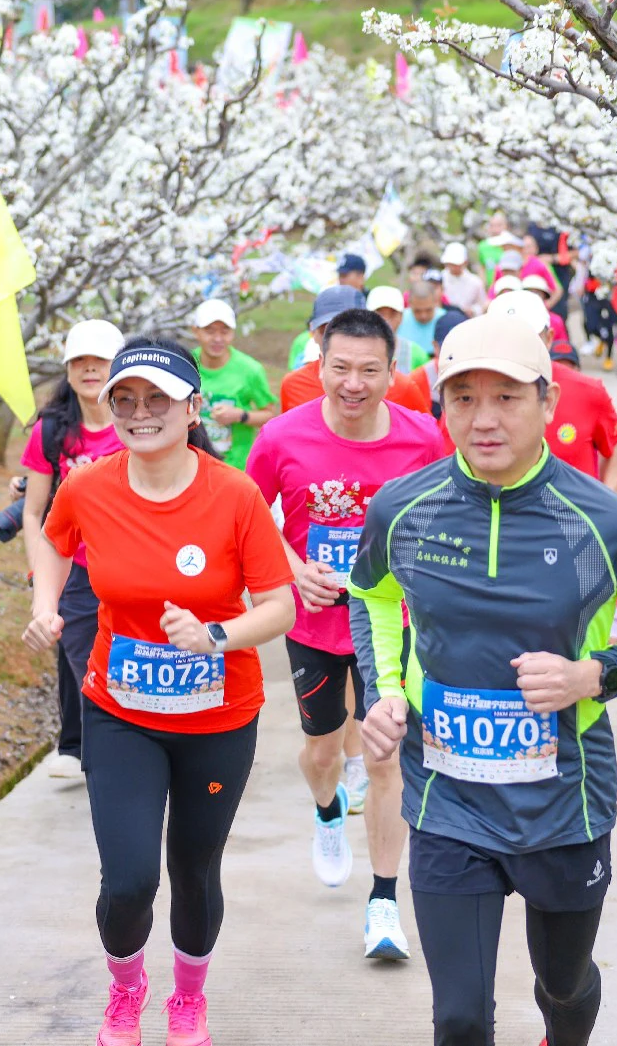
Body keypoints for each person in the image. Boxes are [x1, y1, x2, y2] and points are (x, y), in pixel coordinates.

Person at [347, 316, 617, 1046]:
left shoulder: (607, 522)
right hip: (448, 798)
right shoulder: (403, 507)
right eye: (463, 397)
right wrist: (384, 686)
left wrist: (595, 674)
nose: (483, 419)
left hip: (561, 803)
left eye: (506, 397)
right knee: (460, 1017)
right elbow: (371, 592)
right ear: (440, 406)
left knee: (562, 987)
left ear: (547, 402)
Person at [23, 337, 296, 1046]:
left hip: (218, 717)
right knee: (129, 879)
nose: (141, 413)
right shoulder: (88, 485)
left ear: (192, 406)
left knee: (194, 868)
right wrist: (46, 605)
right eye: (126, 400)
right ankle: (125, 988)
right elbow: (55, 539)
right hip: (121, 712)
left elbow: (280, 606)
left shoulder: (233, 494)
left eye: (158, 399)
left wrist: (216, 635)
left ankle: (189, 999)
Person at [245, 308, 453, 962]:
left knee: (385, 754)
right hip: (314, 620)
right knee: (322, 751)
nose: (354, 383)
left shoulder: (425, 438)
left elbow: (453, 517)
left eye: (370, 369)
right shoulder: (281, 437)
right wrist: (291, 566)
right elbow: (248, 517)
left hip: (395, 620)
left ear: (393, 372)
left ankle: (384, 900)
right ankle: (327, 808)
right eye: (340, 368)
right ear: (320, 365)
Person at [16, 319, 128, 781]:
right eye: (79, 362)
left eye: (99, 361)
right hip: (76, 572)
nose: (88, 370)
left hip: (136, 568)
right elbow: (33, 513)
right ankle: (104, 757)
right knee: (86, 669)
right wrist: (39, 578)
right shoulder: (51, 432)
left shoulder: (138, 425)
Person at [494, 290, 617, 490]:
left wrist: (607, 507)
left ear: (549, 338)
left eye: (528, 337)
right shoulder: (467, 397)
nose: (516, 346)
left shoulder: (587, 390)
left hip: (574, 517)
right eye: (505, 337)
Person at [281, 286, 431, 415]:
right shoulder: (293, 384)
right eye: (326, 330)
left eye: (349, 329)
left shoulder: (402, 387)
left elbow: (426, 435)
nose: (338, 339)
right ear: (313, 333)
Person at [190, 298, 278, 470]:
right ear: (196, 331)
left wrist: (240, 415)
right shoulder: (186, 364)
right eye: (209, 331)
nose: (217, 339)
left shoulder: (250, 370)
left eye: (225, 331)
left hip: (234, 467)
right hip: (192, 465)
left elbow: (270, 416)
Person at [367, 285, 431, 375]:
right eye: (380, 313)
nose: (386, 320)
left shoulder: (417, 354)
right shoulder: (355, 351)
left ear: (401, 317)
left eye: (392, 314)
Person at [438, 242, 487, 317]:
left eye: (456, 264)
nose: (453, 267)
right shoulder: (439, 278)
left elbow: (482, 304)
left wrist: (473, 310)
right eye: (450, 263)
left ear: (465, 262)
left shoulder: (475, 282)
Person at [401, 279, 443, 357]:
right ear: (410, 303)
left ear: (435, 302)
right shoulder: (399, 320)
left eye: (428, 310)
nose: (423, 315)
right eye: (417, 311)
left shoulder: (445, 320)